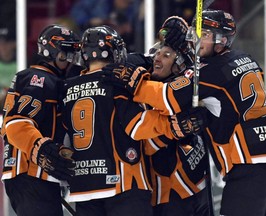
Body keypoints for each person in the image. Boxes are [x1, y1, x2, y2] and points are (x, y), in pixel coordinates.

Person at [107, 9, 266, 216]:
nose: (198, 39)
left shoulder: (210, 69)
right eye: (196, 32)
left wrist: (134, 82)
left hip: (248, 162)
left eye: (206, 35)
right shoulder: (246, 59)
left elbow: (167, 96)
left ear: (221, 41)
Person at [61, 25, 201, 216]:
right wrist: (172, 126)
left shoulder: (67, 87)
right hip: (123, 184)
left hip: (84, 189)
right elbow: (136, 126)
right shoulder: (117, 81)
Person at [1, 24, 80, 216]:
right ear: (56, 53)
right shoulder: (41, 78)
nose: (73, 59)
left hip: (30, 174)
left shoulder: (43, 78)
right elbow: (16, 123)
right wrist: (41, 149)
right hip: (30, 172)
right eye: (68, 52)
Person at [144, 42, 211, 216]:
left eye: (166, 55)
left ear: (178, 66)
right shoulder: (147, 97)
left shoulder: (186, 91)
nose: (157, 58)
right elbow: (144, 144)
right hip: (170, 194)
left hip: (199, 186)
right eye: (157, 54)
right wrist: (172, 131)